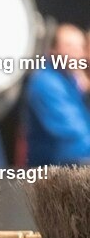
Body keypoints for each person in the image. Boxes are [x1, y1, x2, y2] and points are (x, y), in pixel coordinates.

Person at [24, 24, 90, 166]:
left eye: (80, 47)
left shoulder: (70, 80)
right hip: (51, 176)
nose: (76, 53)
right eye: (69, 46)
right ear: (53, 51)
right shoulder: (46, 83)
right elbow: (74, 138)